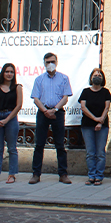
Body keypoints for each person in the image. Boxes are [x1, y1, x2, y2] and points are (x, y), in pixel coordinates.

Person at [29, 52, 73, 184]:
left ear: (57, 62)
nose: (50, 64)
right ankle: (36, 174)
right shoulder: (39, 79)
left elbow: (65, 97)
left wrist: (55, 110)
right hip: (43, 112)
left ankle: (63, 174)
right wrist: (45, 110)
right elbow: (35, 98)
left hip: (57, 112)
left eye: (52, 61)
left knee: (60, 144)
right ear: (44, 63)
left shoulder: (64, 78)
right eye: (47, 62)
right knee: (39, 144)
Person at [0, 63, 23, 184]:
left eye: (11, 72)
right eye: (7, 72)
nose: (9, 74)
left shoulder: (17, 87)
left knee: (12, 148)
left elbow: (18, 106)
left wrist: (7, 119)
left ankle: (12, 174)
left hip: (11, 118)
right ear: (3, 73)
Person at [80, 67, 111, 186]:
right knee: (90, 152)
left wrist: (100, 122)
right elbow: (83, 107)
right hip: (87, 126)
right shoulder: (85, 92)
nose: (97, 77)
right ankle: (91, 176)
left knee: (100, 152)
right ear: (91, 77)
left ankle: (99, 176)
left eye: (100, 75)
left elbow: (107, 107)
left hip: (102, 126)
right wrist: (95, 119)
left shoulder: (105, 92)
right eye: (95, 75)